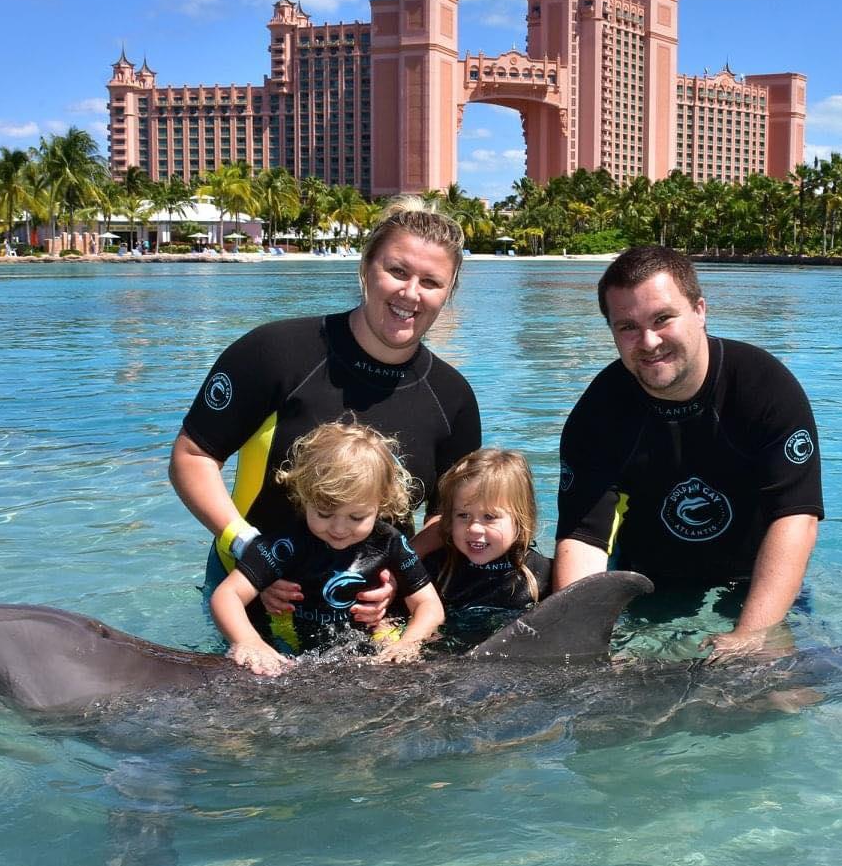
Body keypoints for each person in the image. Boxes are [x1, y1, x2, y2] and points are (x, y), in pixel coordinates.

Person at [170, 197, 480, 627]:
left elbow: (449, 513)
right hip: (252, 601)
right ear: (366, 267)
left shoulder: (452, 396)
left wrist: (398, 577)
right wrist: (247, 547)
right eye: (397, 271)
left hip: (373, 616)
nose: (411, 293)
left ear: (449, 292)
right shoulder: (275, 353)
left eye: (431, 281)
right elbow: (192, 457)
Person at [554, 245, 824, 655]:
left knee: (783, 698)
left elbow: (796, 516)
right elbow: (584, 538)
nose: (648, 341)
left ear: (699, 310)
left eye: (663, 318)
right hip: (650, 586)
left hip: (755, 581)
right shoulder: (599, 412)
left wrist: (751, 636)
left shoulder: (763, 385)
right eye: (627, 327)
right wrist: (577, 644)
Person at [212, 422, 444, 675]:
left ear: (381, 502)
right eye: (324, 513)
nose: (339, 528)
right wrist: (247, 641)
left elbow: (429, 606)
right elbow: (227, 596)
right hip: (290, 648)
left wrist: (408, 642)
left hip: (372, 644)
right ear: (304, 495)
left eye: (356, 518)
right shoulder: (284, 545)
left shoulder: (389, 542)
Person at [420, 448, 554, 648]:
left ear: (520, 519)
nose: (474, 527)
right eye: (463, 515)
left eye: (489, 517)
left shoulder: (542, 575)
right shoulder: (435, 570)